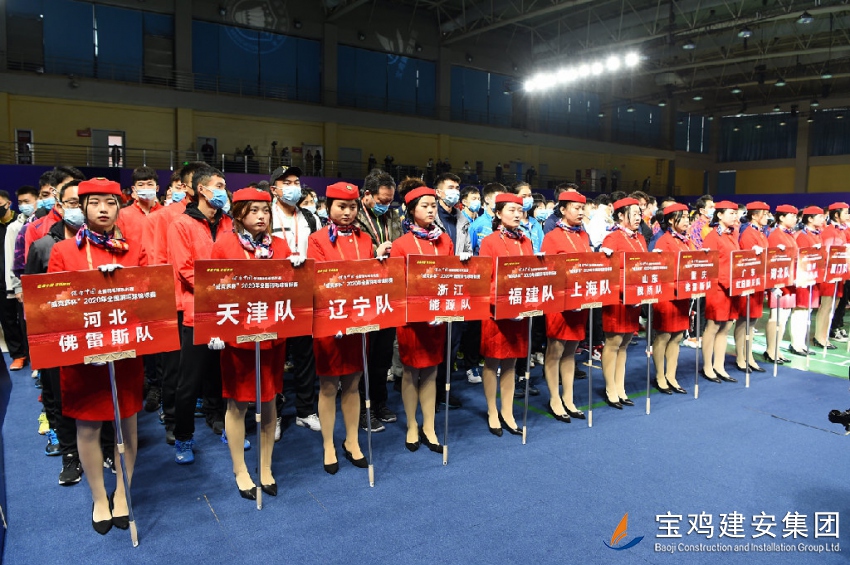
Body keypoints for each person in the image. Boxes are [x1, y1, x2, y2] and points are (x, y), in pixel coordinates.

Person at [47, 177, 146, 535]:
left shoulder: (134, 249)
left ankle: (122, 491)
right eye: (94, 203)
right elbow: (54, 306)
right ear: (82, 207)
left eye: (110, 202)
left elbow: (150, 297)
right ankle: (99, 497)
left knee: (127, 424)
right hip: (83, 355)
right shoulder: (64, 251)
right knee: (87, 427)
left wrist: (125, 283)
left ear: (120, 207)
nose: (103, 209)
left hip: (125, 350)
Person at [208, 188, 291, 500]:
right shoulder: (224, 245)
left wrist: (297, 270)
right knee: (237, 403)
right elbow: (213, 291)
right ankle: (240, 468)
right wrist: (214, 329)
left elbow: (291, 290)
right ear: (239, 213)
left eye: (265, 210)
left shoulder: (280, 245)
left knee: (269, 400)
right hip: (237, 337)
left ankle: (265, 466)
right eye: (254, 210)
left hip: (272, 335)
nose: (261, 216)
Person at [307, 181, 384, 474]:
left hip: (358, 322)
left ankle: (352, 440)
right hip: (329, 322)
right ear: (329, 208)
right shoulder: (317, 239)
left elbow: (369, 279)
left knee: (353, 384)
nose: (348, 212)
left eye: (352, 207)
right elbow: (319, 281)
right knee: (328, 386)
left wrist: (380, 262)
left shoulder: (365, 239)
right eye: (341, 206)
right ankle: (328, 444)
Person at [167, 165, 234, 464]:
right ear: (201, 190)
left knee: (223, 373)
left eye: (224, 185)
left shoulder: (229, 222)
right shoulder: (181, 224)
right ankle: (183, 436)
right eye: (218, 185)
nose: (223, 190)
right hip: (197, 311)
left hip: (229, 311)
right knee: (189, 381)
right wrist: (222, 288)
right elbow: (185, 269)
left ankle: (220, 421)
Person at [390, 186, 453, 452]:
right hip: (412, 320)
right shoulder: (401, 244)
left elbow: (451, 277)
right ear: (411, 210)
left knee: (431, 371)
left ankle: (429, 425)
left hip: (437, 317)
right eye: (424, 206)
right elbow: (396, 284)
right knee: (410, 371)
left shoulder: (445, 241)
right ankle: (411, 425)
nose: (430, 210)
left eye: (433, 206)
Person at [268, 166, 321, 434]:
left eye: (296, 182)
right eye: (286, 182)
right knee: (275, 358)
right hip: (274, 296)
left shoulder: (310, 217)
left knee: (305, 356)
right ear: (274, 189)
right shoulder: (266, 216)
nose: (293, 187)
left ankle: (306, 410)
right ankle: (274, 413)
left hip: (305, 295)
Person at [478, 193, 533, 436]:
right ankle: (492, 410)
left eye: (519, 210)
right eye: (511, 210)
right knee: (492, 362)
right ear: (499, 213)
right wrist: (502, 305)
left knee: (511, 362)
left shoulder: (526, 241)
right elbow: (485, 279)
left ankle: (508, 411)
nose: (517, 214)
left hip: (520, 310)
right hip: (496, 312)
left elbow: (530, 274)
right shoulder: (489, 241)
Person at [354, 169, 400, 431]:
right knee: (365, 355)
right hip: (363, 293)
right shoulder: (354, 215)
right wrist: (375, 251)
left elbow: (399, 242)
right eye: (382, 200)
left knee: (383, 354)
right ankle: (364, 408)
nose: (386, 205)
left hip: (388, 292)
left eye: (390, 200)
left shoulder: (392, 214)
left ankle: (380, 402)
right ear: (367, 195)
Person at [540, 191, 592, 422]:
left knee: (571, 351)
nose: (580, 212)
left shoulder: (584, 235)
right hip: (559, 303)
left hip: (580, 301)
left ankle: (568, 398)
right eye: (575, 208)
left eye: (582, 208)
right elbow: (548, 273)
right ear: (562, 210)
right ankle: (554, 398)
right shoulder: (552, 237)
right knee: (555, 350)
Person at [599, 197, 647, 408]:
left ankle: (620, 387)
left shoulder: (640, 239)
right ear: (620, 215)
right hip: (617, 300)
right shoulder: (612, 238)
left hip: (634, 299)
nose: (638, 217)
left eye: (639, 213)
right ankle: (610, 388)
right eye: (634, 213)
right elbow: (607, 272)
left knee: (625, 343)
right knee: (613, 342)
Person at [650, 203, 692, 395]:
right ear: (670, 220)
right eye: (682, 217)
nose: (686, 221)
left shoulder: (687, 241)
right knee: (664, 336)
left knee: (677, 337)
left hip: (683, 295)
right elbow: (660, 271)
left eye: (687, 217)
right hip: (667, 296)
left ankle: (671, 375)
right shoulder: (664, 242)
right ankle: (660, 376)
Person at [700, 200, 740, 383]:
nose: (735, 216)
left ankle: (719, 365)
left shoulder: (733, 234)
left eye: (735, 213)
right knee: (713, 327)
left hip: (732, 288)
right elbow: (709, 265)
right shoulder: (712, 237)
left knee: (726, 327)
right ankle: (707, 366)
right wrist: (726, 282)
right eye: (731, 213)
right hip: (718, 288)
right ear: (720, 215)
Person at [734, 202, 770, 372]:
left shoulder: (761, 233)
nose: (767, 217)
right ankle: (740, 356)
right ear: (754, 215)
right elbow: (747, 261)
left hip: (759, 282)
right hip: (748, 282)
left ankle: (748, 355)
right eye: (764, 214)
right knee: (743, 320)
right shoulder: (749, 233)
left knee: (752, 321)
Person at [764, 205, 798, 364]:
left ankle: (777, 349)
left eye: (795, 216)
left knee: (784, 317)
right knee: (776, 316)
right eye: (791, 215)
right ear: (782, 217)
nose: (795, 219)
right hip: (778, 280)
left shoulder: (789, 234)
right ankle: (770, 350)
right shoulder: (775, 234)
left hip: (790, 279)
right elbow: (772, 260)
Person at [789, 206, 825, 355]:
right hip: (803, 277)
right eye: (820, 217)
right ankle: (796, 344)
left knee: (807, 311)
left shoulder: (817, 234)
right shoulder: (801, 235)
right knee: (800, 310)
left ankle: (801, 343)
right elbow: (800, 258)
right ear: (809, 218)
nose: (823, 219)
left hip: (813, 277)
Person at [0, 189, 28, 371]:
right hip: (1, 281)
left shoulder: (20, 223)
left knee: (25, 320)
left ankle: (31, 353)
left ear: (8, 204)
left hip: (18, 279)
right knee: (7, 320)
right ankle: (18, 355)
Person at [816, 202, 850, 348]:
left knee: (833, 306)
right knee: (826, 306)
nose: (848, 215)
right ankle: (819, 337)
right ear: (836, 214)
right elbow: (827, 255)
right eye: (846, 212)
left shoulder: (841, 231)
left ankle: (824, 336)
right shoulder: (829, 231)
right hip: (829, 274)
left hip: (840, 274)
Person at [469, 183, 505, 254]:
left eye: (503, 199)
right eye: (498, 198)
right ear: (487, 199)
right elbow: (469, 250)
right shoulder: (477, 225)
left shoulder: (507, 222)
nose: (501, 202)